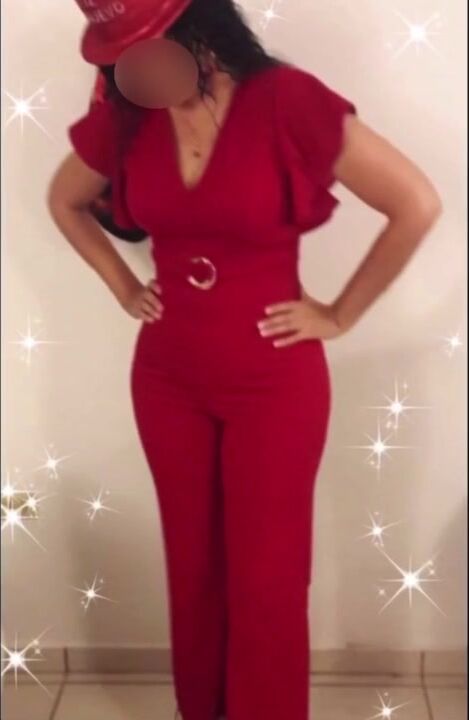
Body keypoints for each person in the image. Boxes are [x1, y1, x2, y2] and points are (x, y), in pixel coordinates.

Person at [47, 1, 443, 719]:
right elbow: (64, 200)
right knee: (193, 568)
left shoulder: (287, 101)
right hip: (167, 379)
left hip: (273, 383)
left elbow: (415, 202)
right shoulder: (129, 115)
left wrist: (338, 314)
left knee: (267, 578)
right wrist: (125, 288)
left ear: (197, 25)